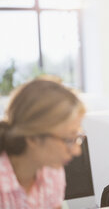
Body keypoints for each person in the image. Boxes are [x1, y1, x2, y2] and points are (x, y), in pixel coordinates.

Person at [0, 79, 86, 208]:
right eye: (69, 140)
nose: (77, 151)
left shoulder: (52, 172)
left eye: (77, 137)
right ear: (33, 138)